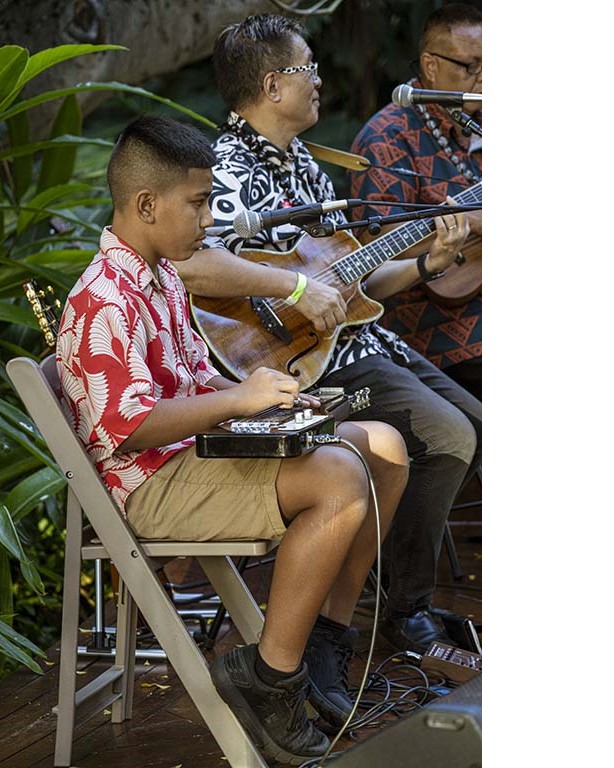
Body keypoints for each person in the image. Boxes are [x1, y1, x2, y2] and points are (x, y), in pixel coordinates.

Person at [55, 115, 409, 765]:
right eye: (197, 204)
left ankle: (321, 644)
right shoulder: (103, 298)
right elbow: (129, 427)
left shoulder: (160, 276)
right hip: (151, 486)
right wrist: (239, 402)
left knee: (381, 446)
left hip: (195, 458)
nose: (209, 221)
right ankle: (271, 677)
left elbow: (196, 377)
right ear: (146, 205)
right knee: (338, 477)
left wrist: (266, 396)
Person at [173, 14, 482, 670]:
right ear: (271, 85)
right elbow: (193, 264)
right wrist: (292, 289)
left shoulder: (305, 165)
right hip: (293, 360)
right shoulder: (225, 169)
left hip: (354, 340)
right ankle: (402, 611)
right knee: (448, 435)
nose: (318, 80)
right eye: (307, 68)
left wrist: (430, 261)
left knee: (476, 427)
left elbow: (354, 279)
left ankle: (377, 589)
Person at [349, 3, 483, 400]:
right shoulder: (386, 139)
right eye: (471, 66)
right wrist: (472, 221)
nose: (485, 78)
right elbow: (377, 246)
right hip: (437, 330)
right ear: (430, 66)